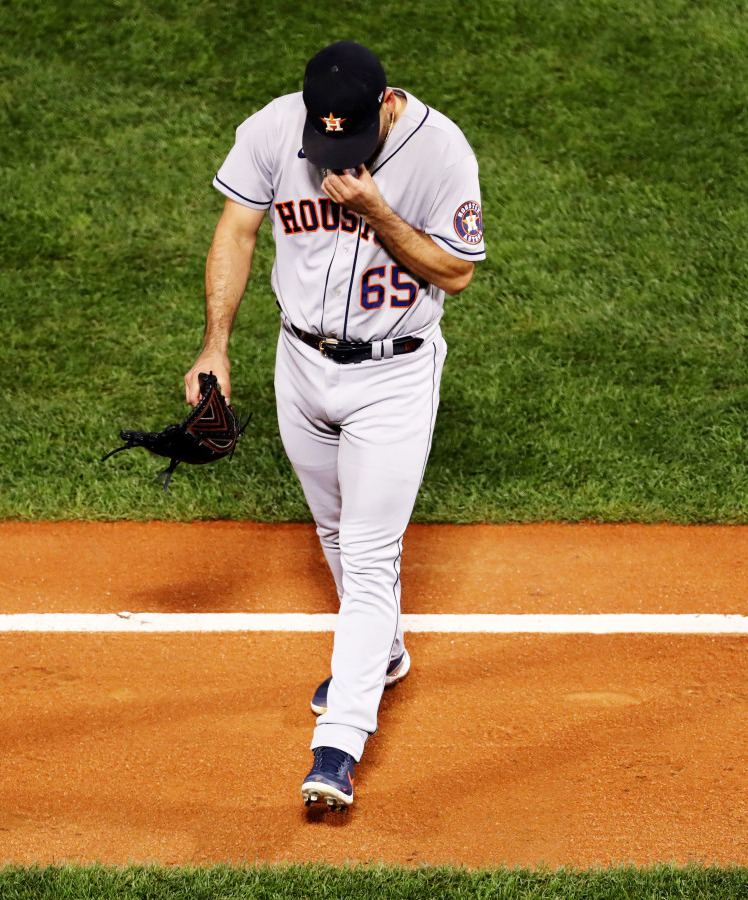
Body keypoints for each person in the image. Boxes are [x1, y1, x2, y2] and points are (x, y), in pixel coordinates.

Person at [184, 40, 485, 809]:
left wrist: (378, 210)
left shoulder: (441, 149)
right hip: (300, 366)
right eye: (327, 144)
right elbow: (238, 230)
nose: (336, 160)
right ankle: (380, 655)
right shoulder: (271, 130)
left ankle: (339, 744)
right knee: (333, 528)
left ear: (387, 104)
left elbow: (456, 270)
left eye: (352, 142)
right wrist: (216, 344)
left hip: (394, 373)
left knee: (371, 552)